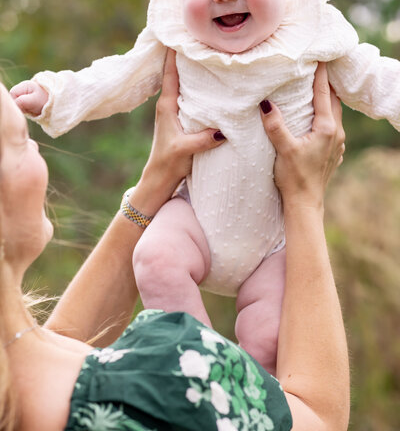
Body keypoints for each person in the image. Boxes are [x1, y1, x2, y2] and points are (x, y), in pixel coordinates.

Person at [10, 0, 399, 373]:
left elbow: (376, 79)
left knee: (268, 339)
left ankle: (237, 396)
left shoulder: (315, 32)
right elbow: (116, 78)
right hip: (192, 216)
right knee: (154, 259)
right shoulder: (177, 39)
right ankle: (202, 375)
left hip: (277, 240)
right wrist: (55, 93)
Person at [1, 52, 349, 431]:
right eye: (21, 141)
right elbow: (321, 420)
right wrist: (304, 198)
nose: (36, 148)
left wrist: (158, 179)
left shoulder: (20, 379)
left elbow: (64, 347)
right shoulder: (176, 383)